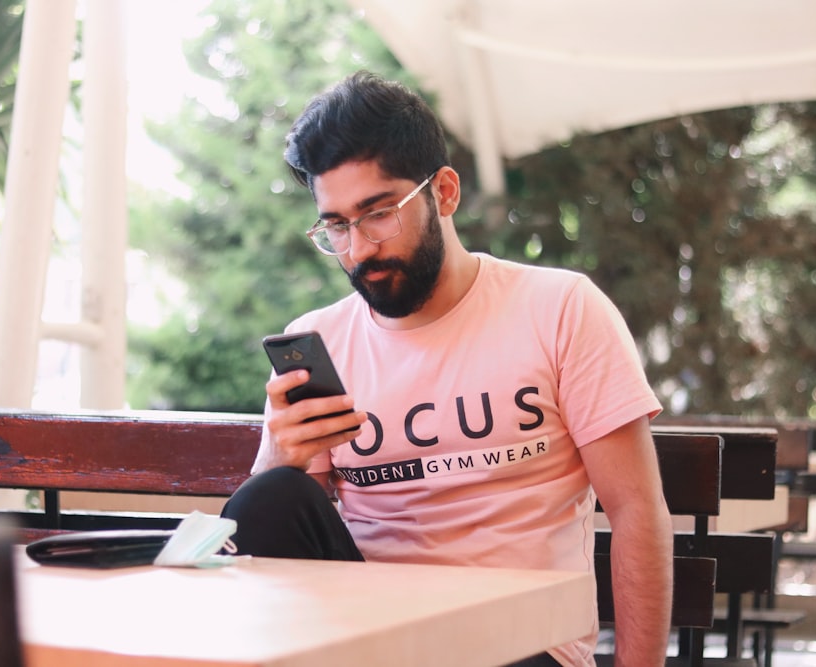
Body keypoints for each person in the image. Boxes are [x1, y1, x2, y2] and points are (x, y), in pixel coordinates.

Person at [221, 71, 673, 667]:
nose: (358, 249)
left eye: (379, 213)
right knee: (270, 497)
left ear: (446, 193)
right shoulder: (322, 340)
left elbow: (636, 510)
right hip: (372, 644)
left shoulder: (561, 308)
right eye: (336, 225)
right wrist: (279, 456)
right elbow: (263, 532)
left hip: (522, 646)